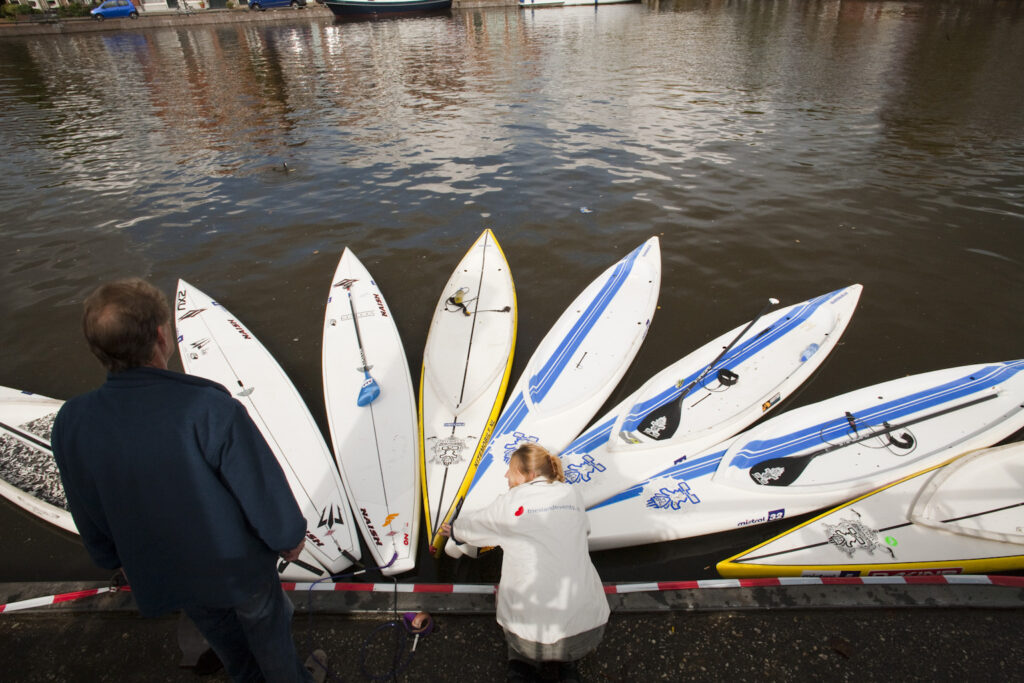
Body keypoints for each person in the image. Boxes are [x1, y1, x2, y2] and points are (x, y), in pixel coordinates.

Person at [51, 278, 324, 683]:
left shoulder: (71, 421)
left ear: (98, 350)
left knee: (225, 639)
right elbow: (259, 487)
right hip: (238, 570)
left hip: (165, 570)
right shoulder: (209, 408)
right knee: (271, 637)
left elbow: (85, 502)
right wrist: (289, 536)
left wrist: (111, 557)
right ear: (162, 337)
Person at [443, 443, 610, 683]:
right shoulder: (571, 494)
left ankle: (522, 664)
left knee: (512, 593)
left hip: (529, 640)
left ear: (528, 475)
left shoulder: (510, 502)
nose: (505, 475)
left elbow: (474, 529)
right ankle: (566, 665)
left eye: (510, 470)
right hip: (589, 631)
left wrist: (454, 531)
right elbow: (585, 530)